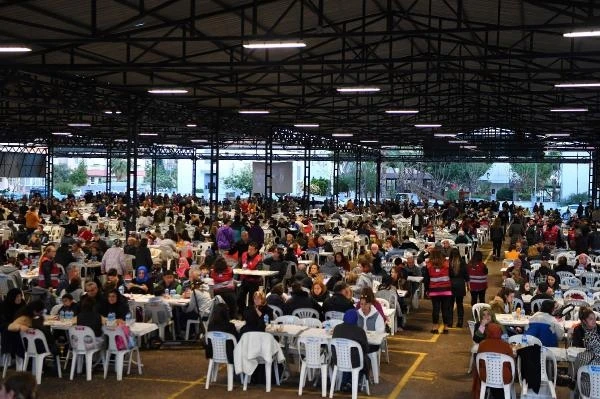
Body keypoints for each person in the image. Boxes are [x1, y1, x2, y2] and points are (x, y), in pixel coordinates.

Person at [331, 309, 370, 392]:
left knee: (347, 357)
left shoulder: (337, 328)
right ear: (356, 319)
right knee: (363, 359)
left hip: (338, 360)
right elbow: (366, 348)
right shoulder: (359, 331)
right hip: (355, 362)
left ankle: (344, 382)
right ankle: (353, 382)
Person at [472, 323, 513, 399]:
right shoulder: (506, 345)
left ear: (487, 332)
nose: (486, 317)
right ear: (500, 332)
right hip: (503, 378)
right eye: (484, 315)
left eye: (488, 315)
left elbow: (480, 363)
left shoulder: (482, 345)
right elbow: (511, 363)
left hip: (486, 376)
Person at [423, 249, 453, 334]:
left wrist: (427, 290)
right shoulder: (447, 264)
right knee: (445, 309)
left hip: (434, 290)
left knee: (435, 309)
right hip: (446, 290)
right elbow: (451, 275)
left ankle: (435, 327)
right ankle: (446, 327)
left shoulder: (428, 265)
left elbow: (426, 279)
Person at [237, 242, 263, 315]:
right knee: (240, 298)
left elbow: (259, 273)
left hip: (254, 282)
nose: (249, 251)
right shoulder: (244, 254)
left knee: (252, 300)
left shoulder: (259, 258)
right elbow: (239, 266)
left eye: (251, 250)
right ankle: (242, 313)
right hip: (244, 280)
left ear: (256, 250)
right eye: (248, 249)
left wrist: (249, 273)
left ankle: (251, 314)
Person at [449, 247, 469, 328]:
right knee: (459, 304)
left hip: (451, 284)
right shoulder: (462, 262)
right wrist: (468, 285)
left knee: (450, 305)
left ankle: (450, 322)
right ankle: (460, 322)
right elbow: (466, 275)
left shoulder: (449, 263)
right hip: (460, 284)